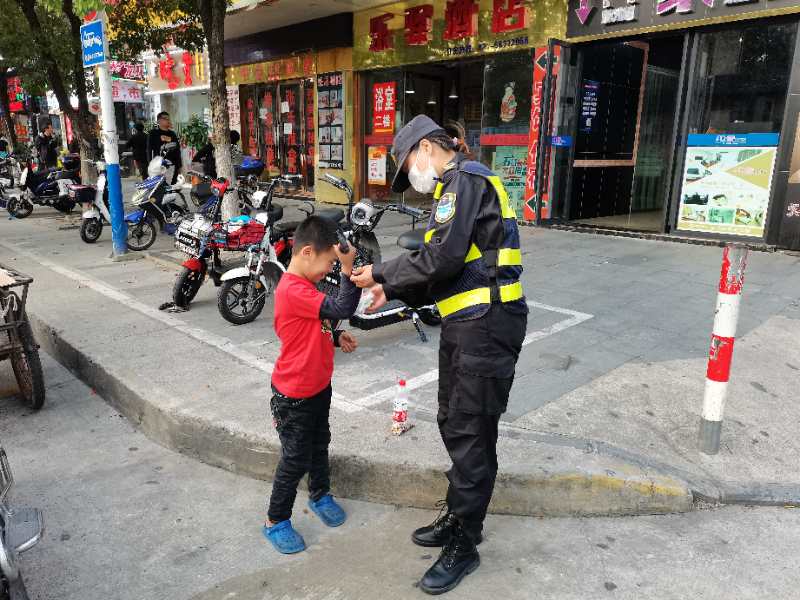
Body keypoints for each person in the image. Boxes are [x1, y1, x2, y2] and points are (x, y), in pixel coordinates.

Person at [351, 115, 528, 595]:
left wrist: (381, 274)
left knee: (471, 432)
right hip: (468, 323)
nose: (411, 174)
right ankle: (458, 515)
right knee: (454, 421)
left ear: (427, 148)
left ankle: (466, 542)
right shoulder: (457, 185)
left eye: (409, 162)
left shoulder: (463, 181)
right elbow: (447, 269)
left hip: (486, 326)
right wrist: (394, 290)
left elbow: (443, 259)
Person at [264, 216, 360, 555]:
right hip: (294, 395)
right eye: (330, 262)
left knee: (319, 445)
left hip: (319, 387)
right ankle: (276, 520)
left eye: (335, 263)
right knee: (294, 459)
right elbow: (343, 305)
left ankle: (320, 495)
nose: (331, 268)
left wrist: (334, 336)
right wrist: (348, 269)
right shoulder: (293, 289)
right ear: (307, 252)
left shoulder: (305, 285)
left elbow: (310, 326)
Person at [147, 111, 182, 184]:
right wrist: (150, 164)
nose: (168, 120)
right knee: (160, 187)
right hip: (159, 166)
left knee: (172, 187)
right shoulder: (153, 133)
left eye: (168, 119)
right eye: (165, 118)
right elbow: (149, 150)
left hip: (172, 165)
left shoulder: (172, 134)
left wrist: (179, 166)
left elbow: (177, 150)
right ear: (159, 121)